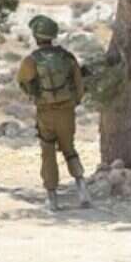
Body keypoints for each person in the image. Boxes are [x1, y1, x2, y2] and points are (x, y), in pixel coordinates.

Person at [17, 14, 89, 211]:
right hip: (67, 112)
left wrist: (35, 96)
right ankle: (82, 190)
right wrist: (73, 102)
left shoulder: (31, 61)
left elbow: (22, 82)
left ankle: (52, 198)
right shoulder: (68, 57)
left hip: (45, 113)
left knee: (48, 151)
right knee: (69, 149)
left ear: (36, 37)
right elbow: (79, 86)